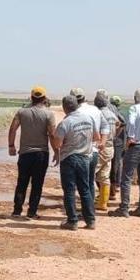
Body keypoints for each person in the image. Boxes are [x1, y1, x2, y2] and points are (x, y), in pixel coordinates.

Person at [7, 86, 56, 219]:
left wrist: (11, 146)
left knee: (22, 182)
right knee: (37, 184)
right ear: (44, 98)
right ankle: (32, 212)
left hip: (25, 153)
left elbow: (12, 129)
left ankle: (17, 211)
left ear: (31, 97)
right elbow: (52, 135)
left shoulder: (22, 112)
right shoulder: (48, 114)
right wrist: (57, 151)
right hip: (41, 154)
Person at [52, 95, 96, 230]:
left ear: (65, 108)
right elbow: (95, 136)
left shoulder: (66, 122)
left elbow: (57, 143)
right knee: (85, 189)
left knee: (70, 190)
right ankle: (90, 220)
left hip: (69, 159)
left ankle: (72, 221)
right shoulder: (89, 119)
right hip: (85, 157)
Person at [71, 88, 110, 203]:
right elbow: (105, 127)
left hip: (80, 152)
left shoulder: (75, 112)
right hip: (94, 151)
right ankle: (89, 209)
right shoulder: (95, 109)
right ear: (84, 97)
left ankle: (86, 210)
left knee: (81, 183)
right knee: (89, 181)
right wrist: (102, 142)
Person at [110, 88, 140, 218]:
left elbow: (130, 122)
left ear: (135, 98)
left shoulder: (134, 108)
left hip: (136, 145)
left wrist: (130, 137)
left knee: (127, 178)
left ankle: (124, 207)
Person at [94, 91, 120, 211]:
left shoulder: (99, 114)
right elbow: (119, 124)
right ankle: (103, 203)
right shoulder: (111, 113)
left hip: (101, 147)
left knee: (90, 173)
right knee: (104, 175)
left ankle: (90, 201)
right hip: (111, 147)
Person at [109, 95, 127, 200]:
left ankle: (115, 185)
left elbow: (123, 124)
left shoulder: (115, 113)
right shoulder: (121, 112)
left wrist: (115, 134)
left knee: (115, 164)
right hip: (123, 142)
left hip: (118, 142)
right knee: (119, 162)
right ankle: (116, 184)